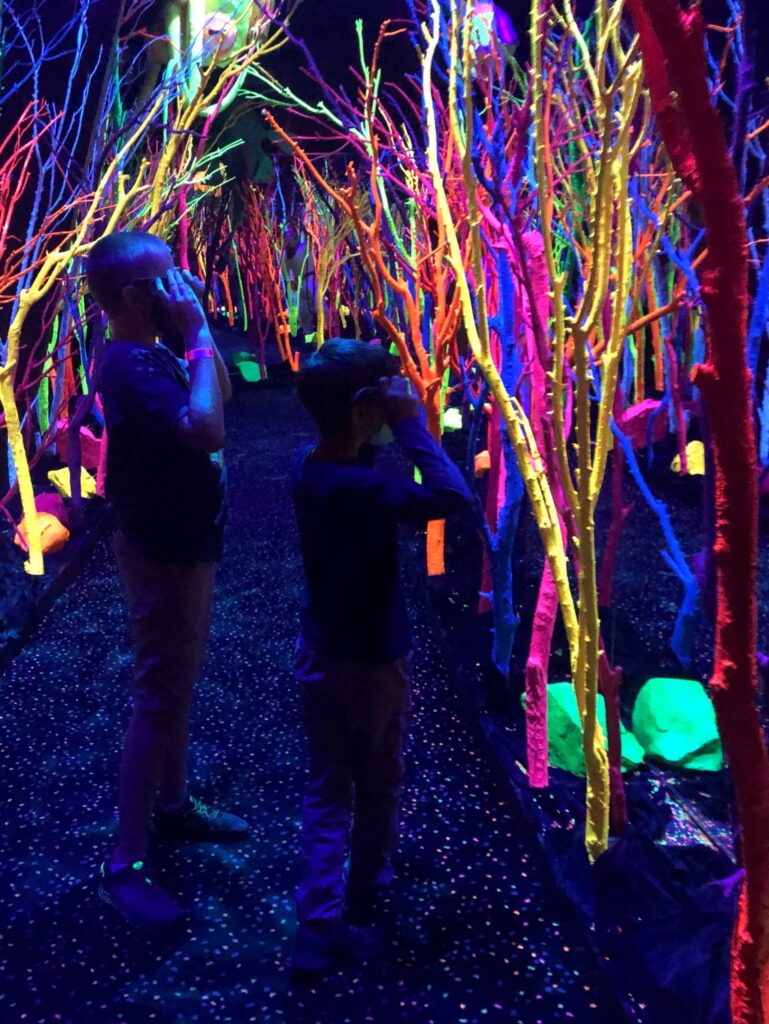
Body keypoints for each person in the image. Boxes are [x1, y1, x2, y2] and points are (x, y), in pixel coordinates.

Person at [291, 338, 473, 971]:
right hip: (373, 665)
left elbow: (357, 453)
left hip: (319, 652)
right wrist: (413, 425)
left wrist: (377, 414)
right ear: (365, 408)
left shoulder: (307, 467)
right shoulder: (368, 490)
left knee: (326, 788)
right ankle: (363, 901)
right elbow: (453, 499)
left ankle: (315, 924)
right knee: (376, 784)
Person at [87, 231, 247, 929]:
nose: (182, 287)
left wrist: (196, 335)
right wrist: (199, 333)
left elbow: (224, 393)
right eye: (167, 279)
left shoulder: (153, 351)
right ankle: (124, 865)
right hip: (162, 550)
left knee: (176, 686)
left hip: (184, 540)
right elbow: (207, 429)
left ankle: (174, 807)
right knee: (158, 695)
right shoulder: (127, 364)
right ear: (133, 295)